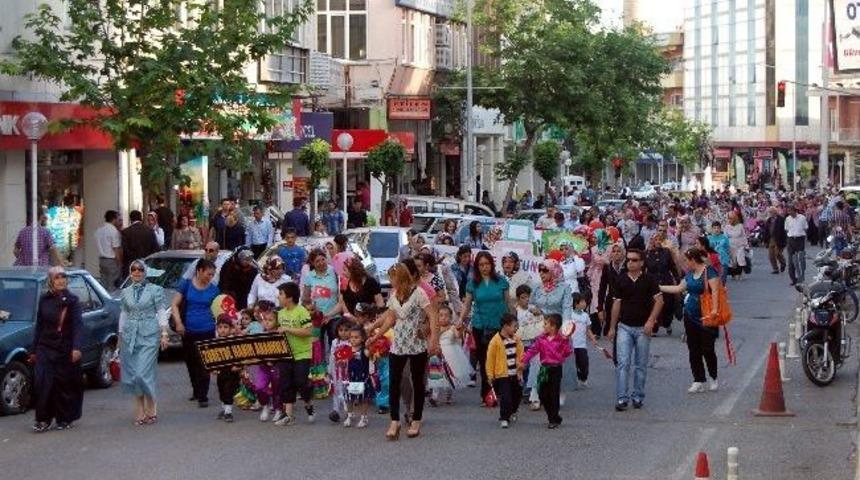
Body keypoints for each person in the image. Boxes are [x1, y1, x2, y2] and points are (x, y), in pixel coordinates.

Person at [367, 263, 439, 440]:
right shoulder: (394, 295)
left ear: (401, 278)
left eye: (393, 278)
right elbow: (390, 318)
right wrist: (376, 336)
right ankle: (394, 421)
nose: (391, 282)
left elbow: (432, 315)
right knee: (394, 381)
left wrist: (433, 339)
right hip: (398, 344)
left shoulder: (419, 293)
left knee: (417, 382)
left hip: (416, 344)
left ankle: (416, 419)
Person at [608, 248, 663, 411]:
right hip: (624, 326)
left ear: (641, 263)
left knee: (640, 364)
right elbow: (616, 303)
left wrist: (651, 321)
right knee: (623, 363)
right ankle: (622, 398)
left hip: (642, 328)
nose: (630, 263)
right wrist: (612, 327)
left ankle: (638, 396)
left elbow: (659, 301)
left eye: (634, 260)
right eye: (628, 260)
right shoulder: (621, 279)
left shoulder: (649, 279)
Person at [659, 247, 721, 393]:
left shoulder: (709, 272)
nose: (685, 264)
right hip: (690, 315)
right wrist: (659, 287)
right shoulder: (689, 275)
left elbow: (715, 291)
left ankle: (713, 376)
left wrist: (714, 309)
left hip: (706, 316)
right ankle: (698, 380)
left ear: (693, 260)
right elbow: (678, 288)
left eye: (686, 261)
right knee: (693, 349)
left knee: (708, 349)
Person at [32, 267, 84, 433]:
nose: (61, 281)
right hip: (45, 347)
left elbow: (78, 325)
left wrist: (76, 347)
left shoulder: (72, 301)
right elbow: (39, 325)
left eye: (63, 277)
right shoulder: (44, 299)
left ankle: (64, 418)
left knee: (63, 384)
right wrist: (34, 350)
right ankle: (43, 419)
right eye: (57, 278)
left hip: (64, 347)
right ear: (51, 281)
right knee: (42, 383)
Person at [119, 259, 168, 426]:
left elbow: (161, 311)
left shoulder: (155, 290)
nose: (137, 272)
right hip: (130, 336)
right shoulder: (125, 292)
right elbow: (124, 314)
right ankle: (139, 407)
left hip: (149, 334)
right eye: (133, 269)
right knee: (134, 374)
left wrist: (164, 333)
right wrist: (120, 336)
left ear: (145, 272)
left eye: (140, 269)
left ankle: (151, 404)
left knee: (142, 372)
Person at [460, 251, 510, 403]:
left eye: (487, 264)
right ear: (477, 266)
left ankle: (500, 391)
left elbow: (508, 304)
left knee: (499, 359)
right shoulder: (473, 283)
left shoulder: (501, 281)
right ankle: (487, 394)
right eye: (481, 265)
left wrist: (512, 324)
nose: (484, 267)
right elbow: (467, 305)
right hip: (480, 326)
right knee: (484, 361)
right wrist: (460, 320)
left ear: (492, 265)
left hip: (499, 326)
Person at [171, 259, 220, 408]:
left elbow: (219, 309)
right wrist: (178, 322)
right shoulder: (186, 285)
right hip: (188, 330)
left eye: (212, 275)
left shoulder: (214, 290)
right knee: (191, 362)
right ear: (199, 271)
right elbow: (174, 304)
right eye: (208, 274)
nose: (210, 277)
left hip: (207, 330)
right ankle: (196, 390)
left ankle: (203, 395)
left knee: (204, 363)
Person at [521, 314, 573, 429]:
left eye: (546, 324)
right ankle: (554, 416)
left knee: (554, 394)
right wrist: (524, 360)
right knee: (542, 393)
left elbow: (567, 353)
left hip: (556, 369)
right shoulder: (541, 338)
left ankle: (553, 418)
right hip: (544, 368)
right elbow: (532, 350)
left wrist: (566, 341)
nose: (543, 326)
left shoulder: (561, 339)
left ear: (553, 326)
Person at [274, 282, 314, 426]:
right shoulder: (280, 313)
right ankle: (289, 416)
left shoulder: (301, 311)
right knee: (286, 383)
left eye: (281, 294)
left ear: (290, 297)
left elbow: (308, 331)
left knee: (301, 382)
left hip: (302, 353)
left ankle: (308, 402)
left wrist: (288, 329)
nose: (278, 297)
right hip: (285, 354)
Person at [485, 313, 523, 429]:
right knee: (506, 397)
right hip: (502, 375)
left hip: (515, 373)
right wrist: (490, 375)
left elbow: (521, 354)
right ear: (506, 326)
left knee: (517, 395)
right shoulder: (495, 341)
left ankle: (513, 411)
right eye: (514, 326)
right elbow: (490, 359)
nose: (516, 329)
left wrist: (521, 367)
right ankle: (504, 417)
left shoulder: (517, 339)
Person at [644, 232, 680, 335]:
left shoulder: (666, 252)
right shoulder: (647, 253)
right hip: (652, 282)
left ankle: (667, 323)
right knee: (653, 304)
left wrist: (677, 279)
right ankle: (654, 327)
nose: (658, 242)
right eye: (656, 240)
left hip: (666, 281)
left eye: (660, 240)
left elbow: (672, 267)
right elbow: (643, 269)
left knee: (668, 304)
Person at [253, 305, 283, 422]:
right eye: (265, 319)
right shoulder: (261, 334)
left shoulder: (280, 335)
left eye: (270, 320)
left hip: (277, 366)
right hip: (263, 367)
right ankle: (265, 405)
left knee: (277, 389)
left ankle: (278, 409)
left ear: (277, 322)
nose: (267, 322)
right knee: (259, 387)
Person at [342, 326, 375, 428]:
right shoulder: (347, 349)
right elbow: (342, 362)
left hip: (363, 378)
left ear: (362, 338)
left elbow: (371, 354)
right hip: (350, 378)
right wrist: (342, 361)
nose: (353, 339)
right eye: (351, 337)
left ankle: (364, 417)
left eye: (356, 337)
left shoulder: (364, 350)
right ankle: (349, 415)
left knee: (364, 398)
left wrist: (371, 346)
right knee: (349, 398)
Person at [214, 316, 241, 422]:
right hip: (221, 372)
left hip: (232, 371)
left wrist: (237, 366)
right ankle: (224, 408)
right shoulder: (215, 342)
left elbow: (240, 355)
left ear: (230, 329)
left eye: (225, 327)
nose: (223, 330)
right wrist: (213, 368)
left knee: (228, 390)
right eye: (220, 327)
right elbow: (212, 357)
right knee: (221, 390)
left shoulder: (233, 341)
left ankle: (228, 412)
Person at [120, 210, 159, 276]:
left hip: (131, 264)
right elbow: (155, 248)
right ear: (141, 218)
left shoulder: (125, 232)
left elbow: (125, 251)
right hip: (147, 263)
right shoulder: (149, 231)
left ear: (130, 219)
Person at [96, 210, 123, 291]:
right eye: (118, 219)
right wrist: (120, 263)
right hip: (111, 261)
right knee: (112, 285)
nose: (119, 221)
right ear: (113, 219)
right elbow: (116, 249)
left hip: (102, 260)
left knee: (103, 283)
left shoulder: (99, 230)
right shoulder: (114, 231)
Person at [785, 205, 808, 286]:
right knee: (791, 260)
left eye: (790, 211)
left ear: (795, 211)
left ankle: (801, 277)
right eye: (788, 211)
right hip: (791, 240)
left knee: (800, 260)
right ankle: (793, 279)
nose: (789, 213)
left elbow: (805, 227)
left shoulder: (802, 218)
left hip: (800, 239)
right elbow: (787, 229)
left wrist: (803, 237)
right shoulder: (788, 219)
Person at [724, 212, 748, 280]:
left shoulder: (740, 226)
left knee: (740, 259)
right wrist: (725, 246)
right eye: (729, 218)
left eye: (731, 218)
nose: (730, 220)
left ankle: (740, 273)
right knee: (732, 261)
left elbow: (744, 236)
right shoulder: (726, 227)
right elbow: (725, 237)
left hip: (740, 245)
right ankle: (734, 274)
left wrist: (746, 246)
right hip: (731, 246)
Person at [764, 207, 787, 275]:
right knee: (771, 255)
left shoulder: (781, 219)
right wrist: (765, 240)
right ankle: (775, 269)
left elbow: (784, 231)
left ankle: (783, 263)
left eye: (771, 212)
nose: (770, 213)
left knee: (777, 253)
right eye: (769, 212)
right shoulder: (769, 220)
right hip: (771, 239)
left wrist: (784, 240)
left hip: (779, 239)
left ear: (775, 212)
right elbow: (766, 230)